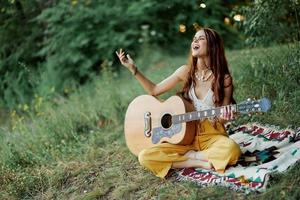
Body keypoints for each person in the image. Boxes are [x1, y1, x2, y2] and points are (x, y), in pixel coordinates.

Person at [116, 27, 242, 179]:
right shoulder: (185, 72)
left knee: (232, 150)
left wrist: (225, 116)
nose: (195, 40)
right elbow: (154, 90)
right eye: (194, 38)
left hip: (211, 134)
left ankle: (190, 157)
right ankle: (195, 160)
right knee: (145, 156)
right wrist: (133, 69)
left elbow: (222, 117)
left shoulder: (224, 79)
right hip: (182, 135)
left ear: (213, 45)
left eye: (201, 38)